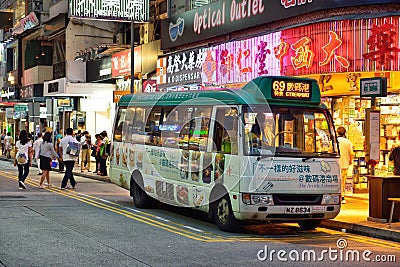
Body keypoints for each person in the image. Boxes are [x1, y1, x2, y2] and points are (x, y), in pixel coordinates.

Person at [337, 126, 353, 204]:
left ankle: (336, 196)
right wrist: (350, 161)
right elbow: (351, 153)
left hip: (335, 165)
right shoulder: (348, 142)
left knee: (336, 181)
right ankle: (342, 197)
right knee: (343, 182)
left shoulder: (335, 141)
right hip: (345, 165)